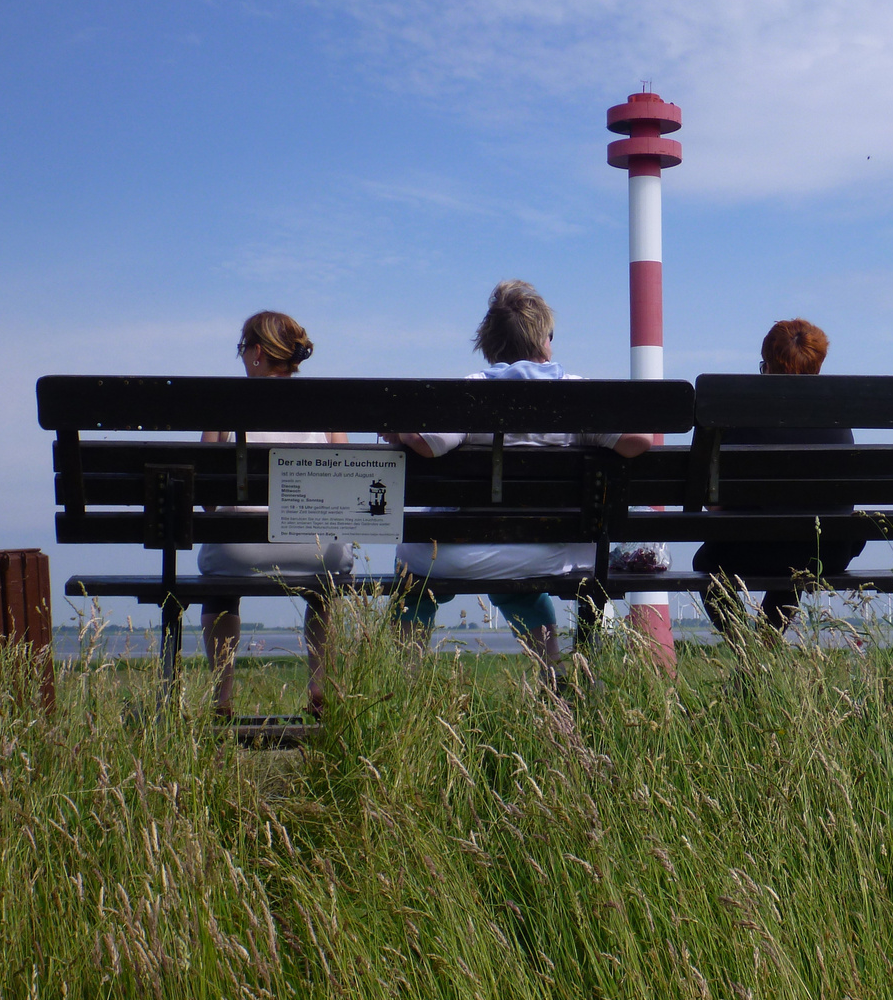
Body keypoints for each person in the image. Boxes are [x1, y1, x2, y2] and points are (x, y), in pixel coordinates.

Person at [386, 280, 651, 663]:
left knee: (408, 566)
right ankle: (554, 674)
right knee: (518, 584)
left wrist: (400, 432)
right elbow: (638, 441)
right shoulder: (579, 394)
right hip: (558, 551)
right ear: (544, 338)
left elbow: (428, 443)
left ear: (489, 343)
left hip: (468, 552)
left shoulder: (473, 391)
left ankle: (402, 676)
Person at [199, 311, 349, 718]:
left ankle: (222, 701)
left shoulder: (225, 405)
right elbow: (346, 486)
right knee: (324, 589)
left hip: (239, 552)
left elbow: (207, 501)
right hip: (319, 551)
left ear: (258, 353)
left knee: (220, 588)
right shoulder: (327, 404)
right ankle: (319, 689)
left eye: (242, 348)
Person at [694, 319, 865, 635]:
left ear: (769, 366)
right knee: (799, 552)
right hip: (826, 553)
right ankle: (762, 648)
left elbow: (713, 505)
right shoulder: (840, 420)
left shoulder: (740, 417)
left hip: (751, 549)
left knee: (706, 562)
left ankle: (746, 652)